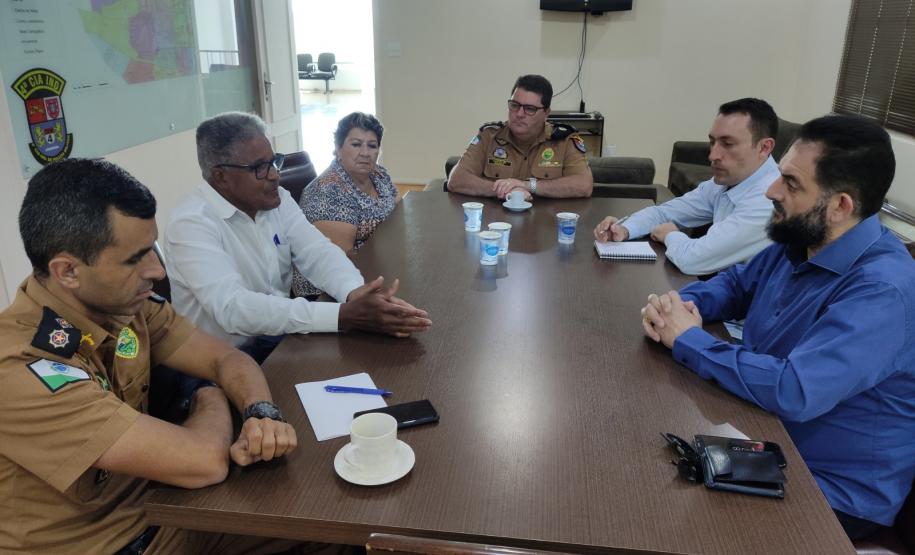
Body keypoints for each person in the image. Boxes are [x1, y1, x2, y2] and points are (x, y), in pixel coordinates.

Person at [0, 158, 342, 554]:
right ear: (68, 271)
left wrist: (260, 411)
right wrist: (209, 393)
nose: (156, 268)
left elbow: (228, 360)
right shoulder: (21, 368)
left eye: (153, 248)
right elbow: (204, 462)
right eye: (135, 257)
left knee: (333, 529)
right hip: (106, 543)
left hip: (165, 514)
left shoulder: (123, 305)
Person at [640, 115, 915, 540]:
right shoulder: (803, 238)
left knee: (657, 520)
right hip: (762, 437)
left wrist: (689, 339)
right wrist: (677, 306)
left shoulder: (882, 290)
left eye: (790, 182)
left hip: (830, 491)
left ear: (841, 205)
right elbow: (736, 283)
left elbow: (794, 389)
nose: (771, 190)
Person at [165, 112, 432, 362]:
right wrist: (342, 316)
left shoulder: (278, 199)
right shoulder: (190, 223)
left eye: (273, 161)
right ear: (221, 177)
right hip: (215, 360)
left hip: (278, 338)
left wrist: (353, 292)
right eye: (259, 167)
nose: (274, 175)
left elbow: (318, 251)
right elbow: (233, 308)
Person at [594, 98, 779, 275]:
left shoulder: (770, 200)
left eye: (727, 144)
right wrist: (625, 229)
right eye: (712, 142)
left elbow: (694, 260)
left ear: (764, 147)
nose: (713, 155)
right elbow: (664, 213)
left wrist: (670, 234)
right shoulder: (729, 180)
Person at [292, 112, 399, 298]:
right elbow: (342, 261)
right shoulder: (327, 191)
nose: (365, 153)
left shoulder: (379, 174)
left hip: (377, 265)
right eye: (356, 144)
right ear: (338, 149)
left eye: (372, 146)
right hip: (330, 294)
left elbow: (397, 207)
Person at [447, 74, 593, 200]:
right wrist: (505, 189)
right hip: (495, 224)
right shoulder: (489, 136)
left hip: (545, 224)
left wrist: (528, 186)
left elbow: (584, 185)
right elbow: (456, 180)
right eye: (515, 105)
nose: (519, 114)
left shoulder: (564, 140)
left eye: (530, 109)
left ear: (546, 113)